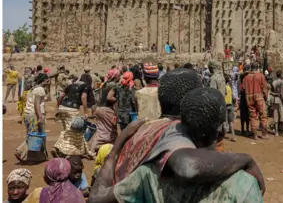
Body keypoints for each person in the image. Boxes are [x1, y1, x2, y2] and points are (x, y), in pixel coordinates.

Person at [89, 87, 265, 203]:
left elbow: (96, 198)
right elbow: (188, 167)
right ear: (222, 130)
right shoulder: (244, 184)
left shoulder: (148, 174)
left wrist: (115, 151)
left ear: (180, 125)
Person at [52, 76, 92, 158]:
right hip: (72, 109)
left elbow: (60, 96)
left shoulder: (71, 85)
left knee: (66, 129)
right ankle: (67, 151)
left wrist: (58, 108)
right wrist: (86, 112)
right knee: (74, 131)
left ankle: (58, 148)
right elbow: (83, 97)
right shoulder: (86, 86)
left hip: (62, 107)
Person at [14, 73, 49, 163]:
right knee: (36, 136)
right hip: (34, 114)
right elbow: (36, 104)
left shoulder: (33, 88)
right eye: (46, 80)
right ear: (43, 80)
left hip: (27, 114)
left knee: (33, 134)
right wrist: (40, 117)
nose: (48, 81)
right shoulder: (40, 90)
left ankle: (30, 155)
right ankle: (21, 151)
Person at [91, 69, 120, 152]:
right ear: (116, 76)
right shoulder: (113, 85)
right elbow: (109, 97)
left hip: (99, 108)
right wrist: (117, 99)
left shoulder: (104, 84)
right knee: (112, 130)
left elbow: (100, 97)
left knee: (100, 130)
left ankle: (92, 150)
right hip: (107, 109)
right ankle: (114, 149)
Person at [243, 62, 270, 139]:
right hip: (259, 97)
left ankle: (254, 134)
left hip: (249, 97)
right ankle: (264, 134)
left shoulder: (246, 77)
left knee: (253, 116)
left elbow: (243, 89)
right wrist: (265, 97)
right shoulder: (261, 76)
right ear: (257, 67)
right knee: (263, 115)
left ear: (251, 68)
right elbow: (265, 88)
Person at [271, 70, 283, 137]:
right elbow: (281, 93)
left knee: (276, 115)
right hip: (281, 100)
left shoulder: (273, 82)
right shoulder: (282, 82)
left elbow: (271, 92)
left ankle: (276, 132)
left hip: (275, 99)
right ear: (281, 75)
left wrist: (276, 94)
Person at [224, 74, 236, 142]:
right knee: (231, 122)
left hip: (225, 105)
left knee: (225, 121)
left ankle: (223, 136)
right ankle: (233, 136)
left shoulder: (224, 87)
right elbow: (233, 97)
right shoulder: (229, 87)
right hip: (230, 105)